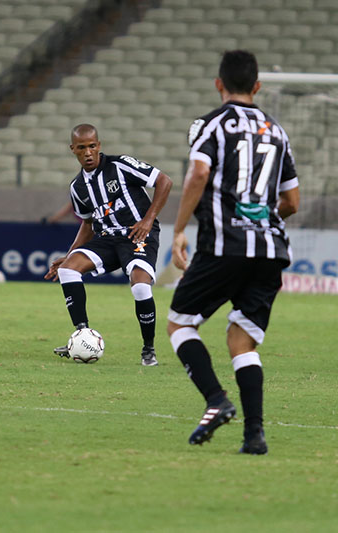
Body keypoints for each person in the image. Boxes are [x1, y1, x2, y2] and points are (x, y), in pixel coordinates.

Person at [167, 50, 299, 454]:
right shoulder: (277, 131)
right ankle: (254, 436)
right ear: (257, 87)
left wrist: (179, 229)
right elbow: (292, 201)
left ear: (218, 84)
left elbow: (200, 171)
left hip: (225, 245)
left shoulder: (211, 124)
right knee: (242, 342)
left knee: (179, 323)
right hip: (270, 249)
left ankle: (215, 401)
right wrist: (261, 218)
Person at [44, 124, 173, 366]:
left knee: (140, 285)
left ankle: (148, 350)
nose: (88, 152)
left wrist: (148, 220)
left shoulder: (121, 165)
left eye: (92, 146)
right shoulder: (77, 187)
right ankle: (82, 336)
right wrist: (69, 255)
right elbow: (87, 223)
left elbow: (164, 181)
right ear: (73, 150)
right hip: (106, 238)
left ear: (99, 145)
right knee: (67, 270)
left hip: (137, 234)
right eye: (82, 148)